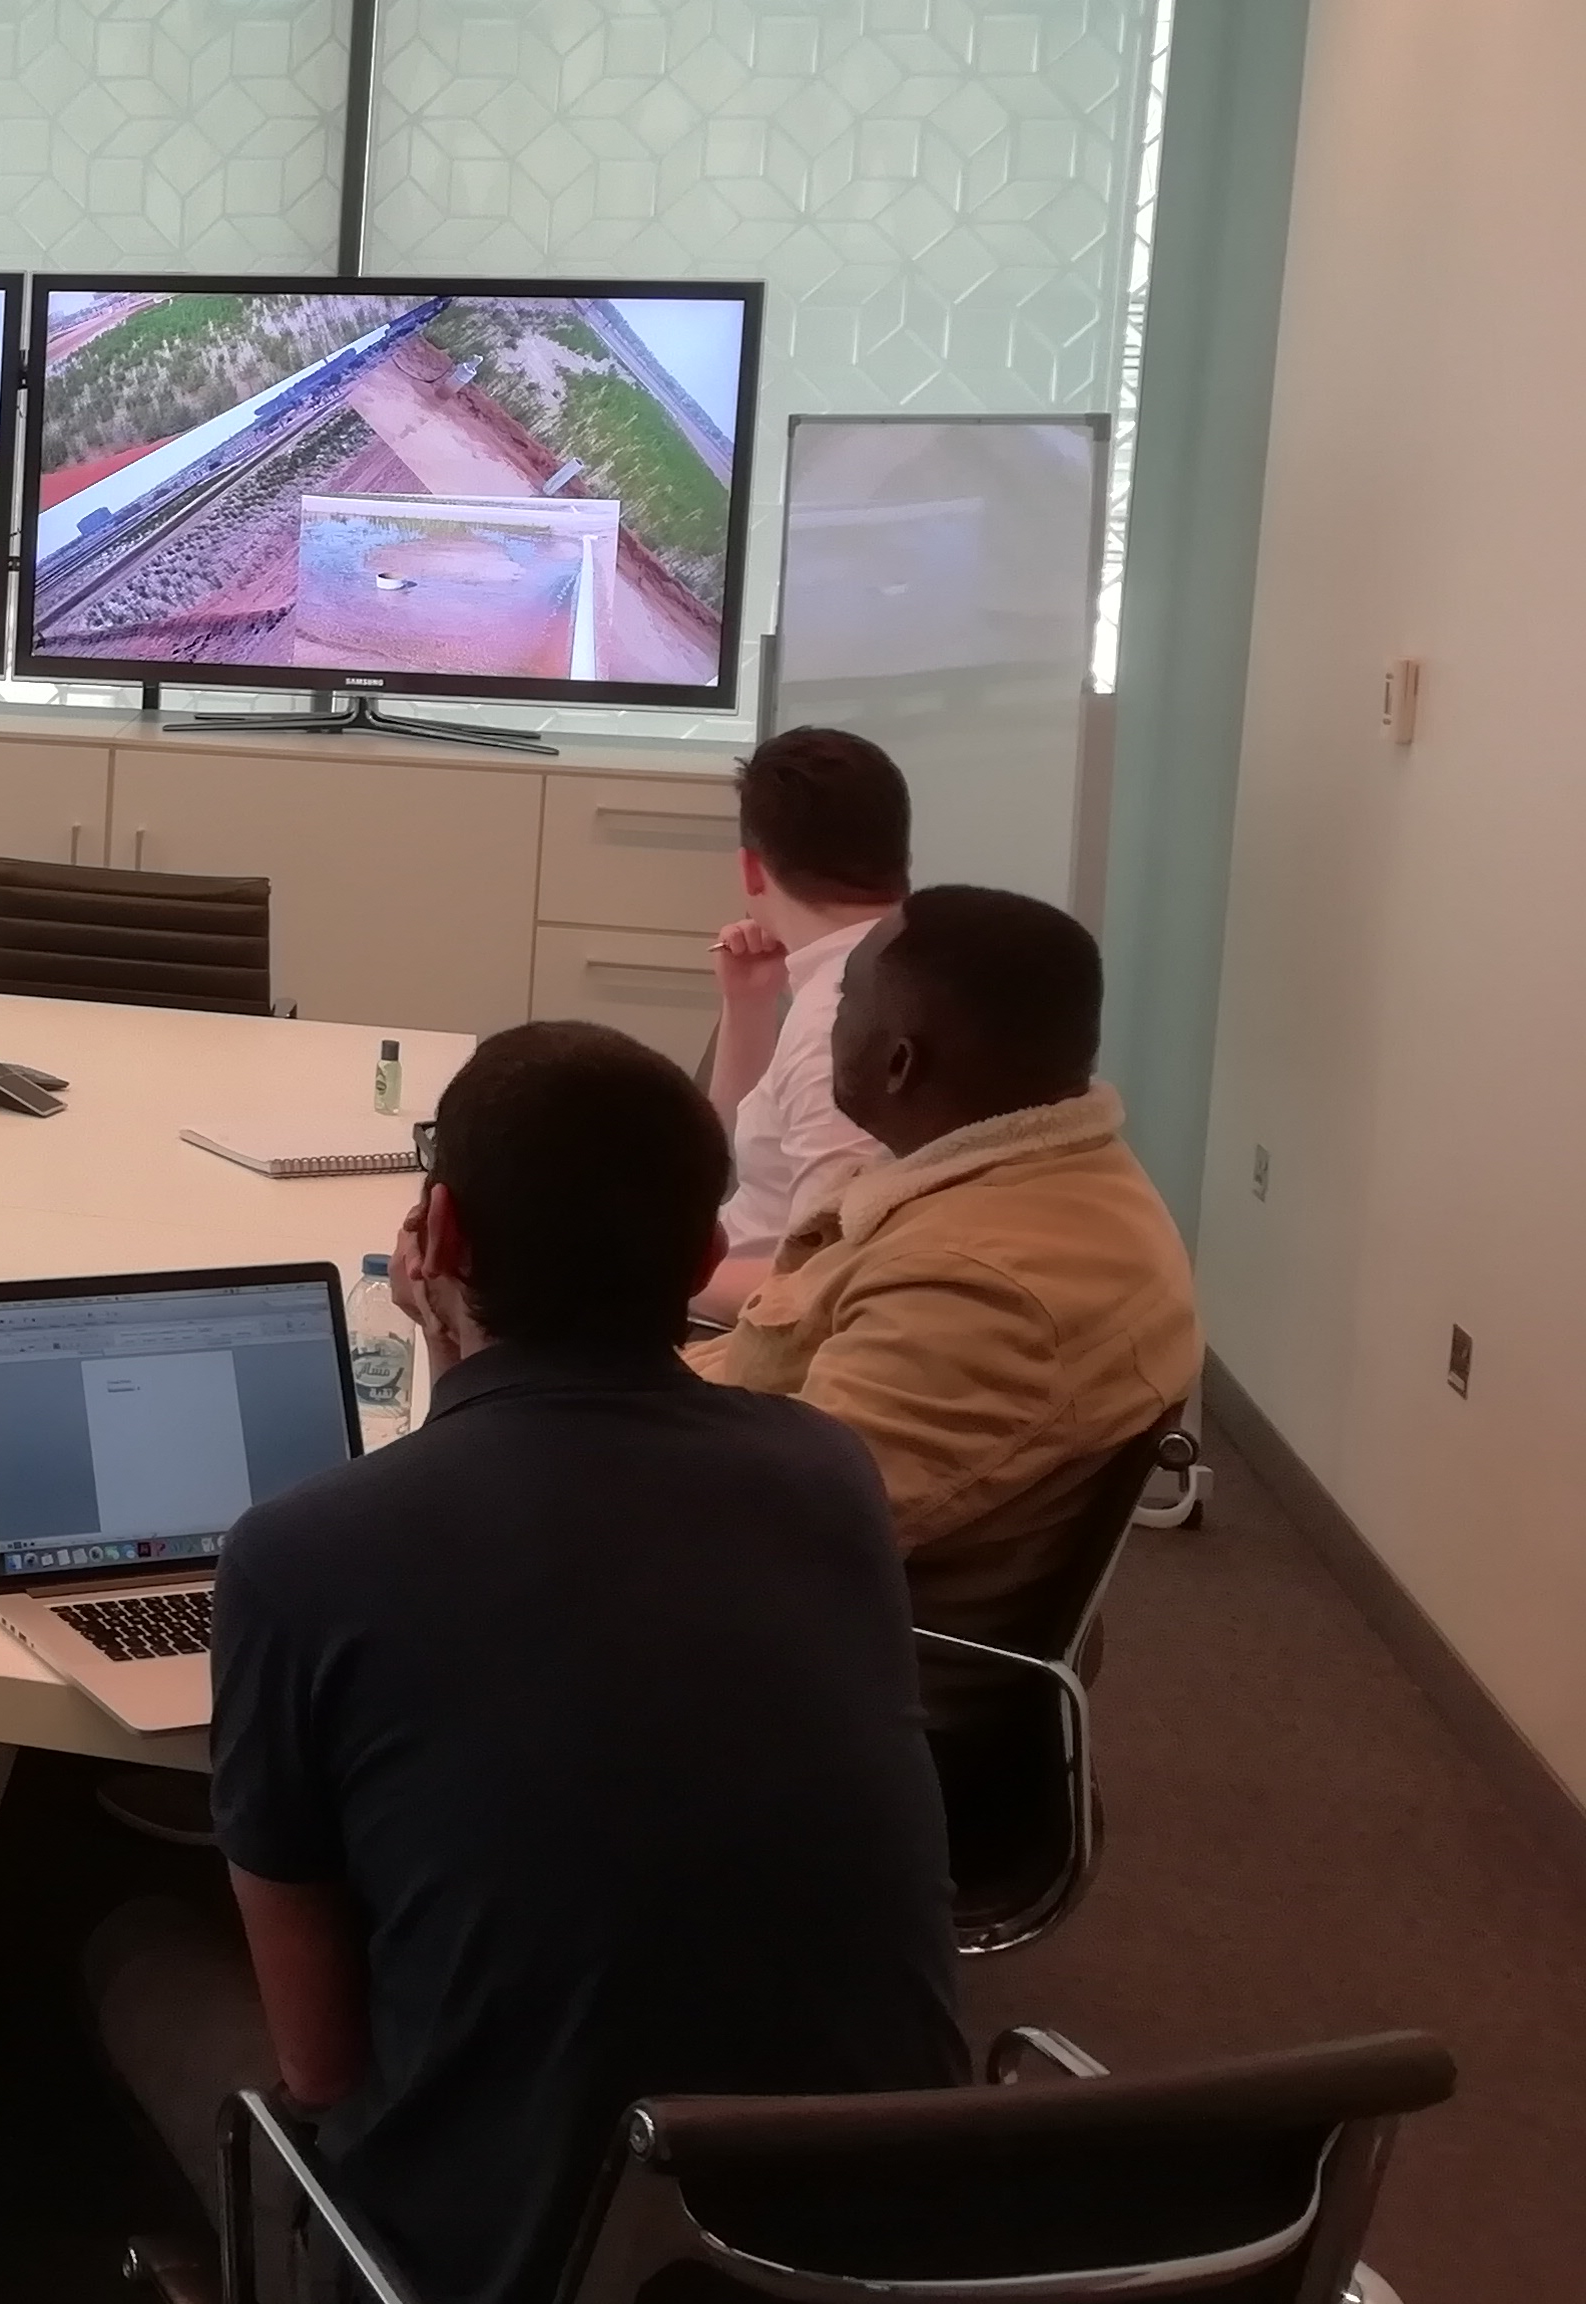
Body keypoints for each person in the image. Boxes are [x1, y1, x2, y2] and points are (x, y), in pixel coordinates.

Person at [90, 1021, 962, 2304]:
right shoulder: (826, 1473)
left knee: (124, 1945)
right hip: (865, 2243)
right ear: (710, 1257)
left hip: (500, 2270)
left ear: (435, 1240)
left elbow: (321, 2069)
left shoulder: (300, 1554)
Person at [691, 883, 1200, 1632]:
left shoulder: (983, 1287)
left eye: (844, 1005)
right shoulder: (1041, 1182)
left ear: (899, 1062)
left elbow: (763, 1528)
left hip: (820, 1667)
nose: (825, 1026)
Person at [704, 726, 912, 1309]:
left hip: (740, 1328)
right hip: (722, 1272)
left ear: (751, 870)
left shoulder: (841, 1021)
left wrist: (633, 1285)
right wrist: (749, 1004)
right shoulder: (886, 965)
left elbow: (825, 1284)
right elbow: (733, 1155)